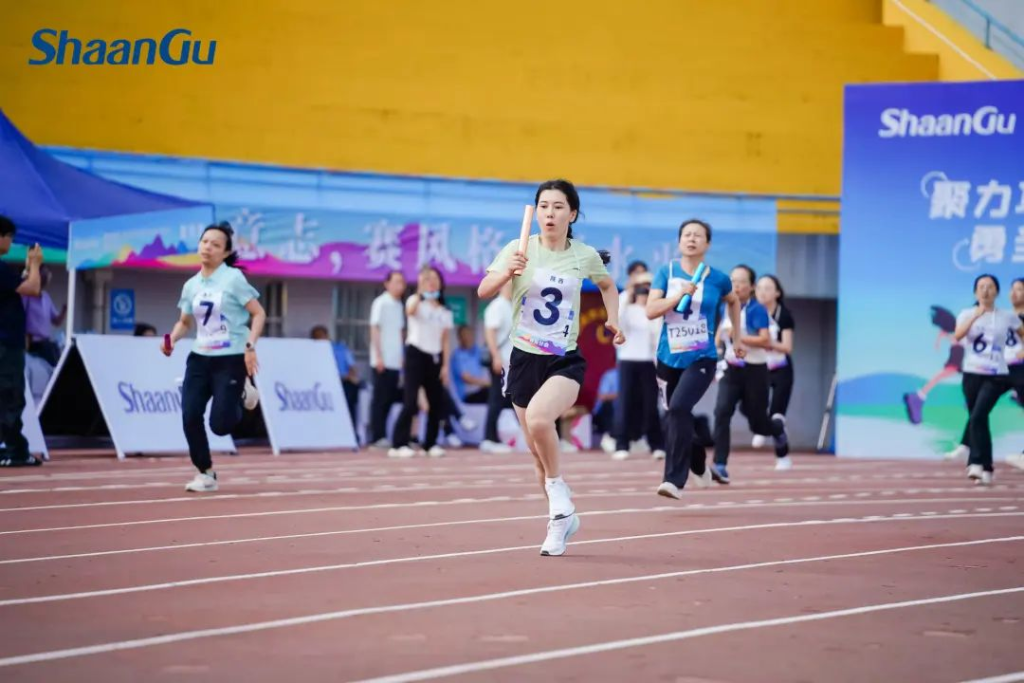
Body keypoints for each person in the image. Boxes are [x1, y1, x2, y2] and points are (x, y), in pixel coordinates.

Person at [478, 178, 624, 556]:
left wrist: (613, 319)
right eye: (544, 206)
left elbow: (608, 286)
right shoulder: (519, 248)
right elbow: (483, 290)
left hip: (563, 358)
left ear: (571, 214)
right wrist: (506, 271)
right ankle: (560, 523)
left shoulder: (583, 255)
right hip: (523, 359)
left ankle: (559, 489)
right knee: (537, 456)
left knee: (541, 420)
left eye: (558, 207)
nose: (549, 213)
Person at [162, 222, 266, 492]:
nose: (208, 247)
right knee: (189, 415)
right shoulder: (191, 285)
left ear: (225, 252)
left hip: (230, 358)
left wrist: (250, 346)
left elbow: (258, 313)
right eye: (205, 241)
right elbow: (184, 322)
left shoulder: (233, 279)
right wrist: (172, 339)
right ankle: (206, 473)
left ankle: (242, 391)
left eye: (216, 244)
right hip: (199, 358)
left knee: (220, 426)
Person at [646, 219, 745, 499]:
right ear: (679, 241)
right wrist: (677, 296)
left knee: (679, 408)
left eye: (698, 235)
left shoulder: (719, 279)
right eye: (687, 235)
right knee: (675, 416)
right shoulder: (666, 272)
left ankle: (673, 481)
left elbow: (734, 301)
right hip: (668, 357)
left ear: (707, 243)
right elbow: (651, 310)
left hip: (702, 357)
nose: (691, 239)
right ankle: (699, 463)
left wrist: (736, 339)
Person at [712, 265, 790, 478]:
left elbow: (765, 340)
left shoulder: (757, 310)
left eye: (741, 281)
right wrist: (715, 352)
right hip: (732, 370)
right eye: (732, 280)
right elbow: (721, 332)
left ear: (751, 286)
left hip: (755, 372)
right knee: (721, 412)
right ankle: (720, 464)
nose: (736, 285)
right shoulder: (725, 306)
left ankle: (777, 429)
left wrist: (738, 336)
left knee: (758, 423)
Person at [952, 274, 1024, 486]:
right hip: (971, 373)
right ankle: (987, 468)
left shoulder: (1007, 316)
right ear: (975, 292)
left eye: (990, 287)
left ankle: (975, 462)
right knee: (979, 419)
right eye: (981, 287)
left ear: (997, 292)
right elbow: (958, 335)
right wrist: (975, 316)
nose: (985, 290)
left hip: (996, 374)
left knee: (978, 416)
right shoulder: (966, 314)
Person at [389, 265, 454, 459]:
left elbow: (445, 340)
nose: (432, 282)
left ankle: (430, 443)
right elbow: (410, 311)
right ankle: (398, 444)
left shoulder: (444, 310)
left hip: (435, 357)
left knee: (436, 403)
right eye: (427, 279)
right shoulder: (415, 301)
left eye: (435, 279)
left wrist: (445, 365)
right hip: (415, 354)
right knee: (410, 402)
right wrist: (421, 291)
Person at [0, 216, 44, 467]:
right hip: (6, 343)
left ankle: (8, 447)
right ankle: (16, 450)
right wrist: (36, 265)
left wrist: (28, 269)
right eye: (9, 237)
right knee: (10, 396)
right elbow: (33, 289)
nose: (10, 242)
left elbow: (19, 285)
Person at [611, 274, 665, 461]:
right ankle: (621, 444)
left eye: (647, 288)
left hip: (648, 362)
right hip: (627, 360)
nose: (643, 293)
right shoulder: (627, 307)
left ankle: (656, 444)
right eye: (640, 289)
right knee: (625, 403)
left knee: (651, 405)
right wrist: (629, 289)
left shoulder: (654, 313)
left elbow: (658, 336)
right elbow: (617, 315)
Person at [751, 274, 795, 449]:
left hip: (781, 369)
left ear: (777, 293)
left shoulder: (783, 315)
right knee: (754, 407)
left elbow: (787, 347)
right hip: (758, 367)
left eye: (768, 288)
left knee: (777, 414)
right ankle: (763, 428)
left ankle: (782, 456)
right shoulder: (750, 312)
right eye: (759, 288)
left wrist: (767, 342)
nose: (763, 292)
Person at [368, 270, 407, 448]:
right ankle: (377, 436)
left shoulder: (399, 305)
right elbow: (375, 329)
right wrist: (378, 356)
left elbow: (400, 332)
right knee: (379, 400)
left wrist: (402, 355)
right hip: (381, 360)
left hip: (395, 361)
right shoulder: (380, 303)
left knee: (390, 399)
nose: (400, 286)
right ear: (387, 284)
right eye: (396, 282)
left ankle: (384, 435)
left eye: (402, 282)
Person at [310, 325, 362, 438]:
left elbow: (352, 368)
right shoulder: (312, 352)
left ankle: (351, 434)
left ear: (327, 336)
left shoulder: (340, 348)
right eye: (317, 337)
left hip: (344, 382)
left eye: (321, 336)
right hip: (326, 383)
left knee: (350, 392)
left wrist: (349, 377)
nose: (320, 339)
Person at [480, 282, 514, 453]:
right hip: (501, 361)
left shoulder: (513, 305)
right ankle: (489, 438)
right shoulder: (497, 306)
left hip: (512, 363)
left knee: (513, 400)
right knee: (496, 399)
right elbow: (490, 333)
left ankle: (495, 438)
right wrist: (496, 357)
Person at [22, 266, 66, 366]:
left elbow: (56, 321)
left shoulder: (46, 297)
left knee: (57, 358)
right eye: (44, 274)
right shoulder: (26, 296)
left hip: (45, 342)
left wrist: (64, 310)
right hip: (32, 343)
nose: (47, 277)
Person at [1005, 278, 1024, 470]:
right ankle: (968, 448)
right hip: (1002, 369)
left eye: (1019, 289)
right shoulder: (1004, 317)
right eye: (1013, 289)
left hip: (1021, 369)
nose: (1014, 293)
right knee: (980, 406)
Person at [450, 325, 490, 404]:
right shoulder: (457, 355)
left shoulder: (477, 351)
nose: (467, 338)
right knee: (493, 393)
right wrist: (488, 384)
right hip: (467, 396)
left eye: (469, 335)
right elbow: (467, 378)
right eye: (464, 335)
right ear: (459, 338)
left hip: (481, 390)